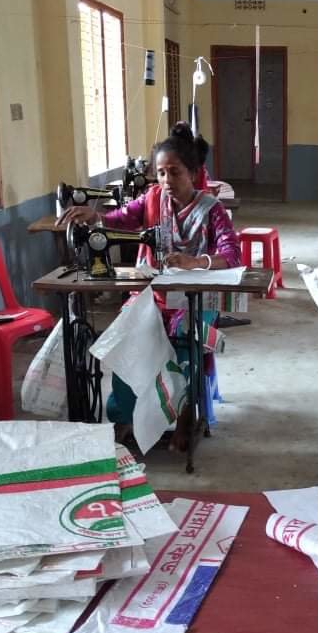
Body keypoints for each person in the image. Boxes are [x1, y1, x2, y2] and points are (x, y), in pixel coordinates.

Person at [57, 124, 240, 448]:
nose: (167, 180)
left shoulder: (212, 210)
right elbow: (120, 219)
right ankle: (124, 416)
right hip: (152, 295)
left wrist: (195, 262)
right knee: (126, 338)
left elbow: (232, 254)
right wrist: (95, 218)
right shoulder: (153, 198)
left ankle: (184, 415)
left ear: (193, 173)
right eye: (161, 173)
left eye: (175, 172)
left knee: (184, 341)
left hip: (195, 298)